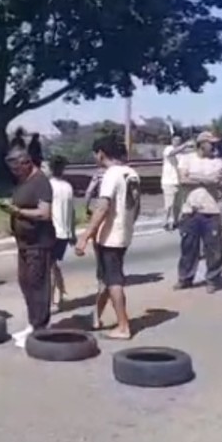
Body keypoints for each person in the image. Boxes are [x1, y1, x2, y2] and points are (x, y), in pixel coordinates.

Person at [75, 135, 141, 340]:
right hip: (124, 233)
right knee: (105, 278)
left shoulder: (110, 175)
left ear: (101, 153)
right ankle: (96, 317)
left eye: (95, 154)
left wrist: (86, 235)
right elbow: (136, 207)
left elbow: (102, 207)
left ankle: (123, 326)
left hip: (110, 236)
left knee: (113, 280)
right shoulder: (131, 173)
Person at [1, 148, 56, 347]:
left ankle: (40, 328)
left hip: (38, 242)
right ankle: (33, 324)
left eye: (16, 168)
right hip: (24, 243)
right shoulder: (23, 181)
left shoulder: (40, 182)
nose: (14, 172)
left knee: (37, 284)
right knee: (25, 282)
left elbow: (44, 213)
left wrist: (17, 211)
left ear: (26, 163)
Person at [174, 131, 222, 293]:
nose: (214, 146)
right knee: (188, 247)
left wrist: (195, 177)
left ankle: (212, 279)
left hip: (211, 209)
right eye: (211, 143)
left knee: (213, 249)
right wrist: (206, 179)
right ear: (202, 144)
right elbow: (183, 180)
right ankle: (185, 278)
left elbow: (217, 181)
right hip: (190, 209)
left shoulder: (217, 162)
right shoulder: (187, 159)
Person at [48, 156, 77, 309]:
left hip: (51, 231)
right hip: (64, 233)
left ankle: (51, 301)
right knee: (53, 265)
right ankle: (60, 293)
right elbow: (72, 212)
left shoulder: (47, 186)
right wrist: (72, 232)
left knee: (49, 268)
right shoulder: (68, 187)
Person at [161, 134, 189, 230]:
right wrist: (185, 146)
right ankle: (165, 221)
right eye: (175, 140)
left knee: (178, 205)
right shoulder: (168, 149)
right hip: (169, 181)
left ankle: (176, 222)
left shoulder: (183, 153)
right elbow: (171, 153)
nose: (177, 142)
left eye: (179, 140)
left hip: (179, 182)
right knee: (169, 205)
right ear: (172, 140)